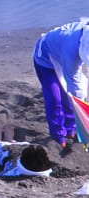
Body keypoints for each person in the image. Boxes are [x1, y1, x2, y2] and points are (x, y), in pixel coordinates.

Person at [32, 18, 89, 148]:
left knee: (68, 99)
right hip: (45, 60)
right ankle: (58, 137)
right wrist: (83, 110)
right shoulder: (71, 51)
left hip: (63, 54)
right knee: (55, 99)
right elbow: (73, 86)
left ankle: (71, 131)